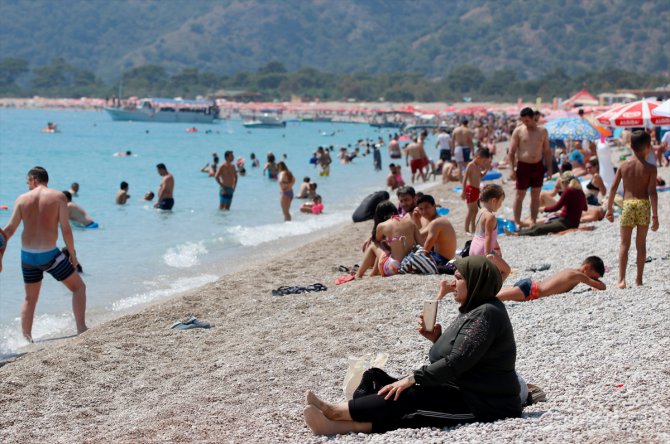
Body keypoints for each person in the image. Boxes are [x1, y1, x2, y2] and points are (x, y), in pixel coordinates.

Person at [305, 256, 521, 436]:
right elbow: (468, 355)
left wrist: (412, 378)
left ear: (476, 281)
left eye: (458, 278)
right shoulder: (475, 309)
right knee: (381, 379)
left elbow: (456, 362)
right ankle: (339, 423)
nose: (452, 284)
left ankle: (335, 413)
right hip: (463, 388)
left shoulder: (487, 314)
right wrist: (437, 339)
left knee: (411, 397)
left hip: (486, 404)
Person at [1, 167, 88, 341]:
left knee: (29, 299)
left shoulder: (22, 199)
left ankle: (26, 340)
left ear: (33, 179)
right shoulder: (58, 197)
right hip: (50, 256)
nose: (28, 187)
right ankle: (81, 328)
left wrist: (0, 253)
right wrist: (73, 255)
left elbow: (8, 231)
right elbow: (66, 229)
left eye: (28, 183)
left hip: (27, 257)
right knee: (79, 288)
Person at [605, 131, 659, 288]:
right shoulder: (650, 168)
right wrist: (655, 216)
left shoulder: (624, 165)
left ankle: (621, 280)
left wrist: (609, 209)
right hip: (643, 204)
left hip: (628, 205)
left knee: (624, 244)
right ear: (648, 147)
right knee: (641, 244)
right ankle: (639, 280)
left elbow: (613, 188)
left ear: (630, 146)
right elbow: (652, 193)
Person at [508, 107, 553, 226]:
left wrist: (549, 169)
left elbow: (547, 151)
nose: (525, 123)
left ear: (534, 118)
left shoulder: (542, 131)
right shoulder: (518, 131)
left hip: (538, 166)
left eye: (527, 120)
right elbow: (511, 152)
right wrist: (512, 169)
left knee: (535, 195)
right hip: (523, 166)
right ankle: (518, 221)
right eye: (523, 121)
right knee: (520, 195)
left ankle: (533, 220)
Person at [354, 201, 421, 279]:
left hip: (393, 269)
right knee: (385, 249)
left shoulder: (382, 225)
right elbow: (421, 243)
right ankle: (373, 273)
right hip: (410, 266)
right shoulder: (410, 222)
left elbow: (377, 242)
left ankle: (358, 274)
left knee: (374, 246)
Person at [497, 256, 606, 302]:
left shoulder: (571, 271)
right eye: (593, 277)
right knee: (494, 297)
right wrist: (595, 283)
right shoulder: (579, 276)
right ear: (587, 268)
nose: (593, 279)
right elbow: (602, 287)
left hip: (530, 285)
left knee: (494, 294)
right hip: (532, 291)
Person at [510, 172, 586, 236]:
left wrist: (543, 209)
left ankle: (516, 234)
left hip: (566, 223)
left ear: (564, 182)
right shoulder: (580, 192)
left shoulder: (568, 191)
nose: (561, 187)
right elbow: (585, 208)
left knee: (539, 228)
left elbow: (556, 207)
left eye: (561, 184)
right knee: (538, 226)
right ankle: (516, 232)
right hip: (571, 222)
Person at [468, 185, 511, 281]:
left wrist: (497, 248)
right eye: (500, 202)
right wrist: (487, 254)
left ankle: (484, 291)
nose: (500, 205)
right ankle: (491, 291)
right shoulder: (490, 216)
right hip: (483, 250)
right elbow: (488, 236)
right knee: (506, 270)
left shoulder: (480, 212)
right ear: (494, 201)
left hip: (473, 248)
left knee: (484, 275)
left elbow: (485, 235)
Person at [413, 194, 457, 268]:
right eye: (421, 209)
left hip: (442, 260)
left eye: (426, 207)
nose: (424, 211)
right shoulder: (438, 219)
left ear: (434, 206)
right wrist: (416, 220)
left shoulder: (436, 223)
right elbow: (419, 235)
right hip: (445, 258)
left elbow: (425, 250)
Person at [461, 148, 492, 234]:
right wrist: (463, 192)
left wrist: (486, 169)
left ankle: (473, 229)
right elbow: (465, 178)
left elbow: (480, 176)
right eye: (484, 161)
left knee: (475, 210)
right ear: (478, 157)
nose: (484, 163)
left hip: (476, 190)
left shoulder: (478, 166)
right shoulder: (471, 165)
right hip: (470, 189)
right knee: (471, 210)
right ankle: (466, 230)